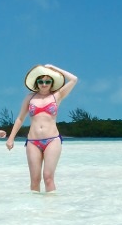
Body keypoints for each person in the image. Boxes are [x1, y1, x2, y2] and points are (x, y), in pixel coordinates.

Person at [5, 63, 77, 192]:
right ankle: (35, 210)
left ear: (52, 83)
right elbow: (20, 118)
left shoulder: (57, 95)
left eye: (48, 81)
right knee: (34, 180)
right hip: (33, 142)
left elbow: (74, 79)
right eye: (41, 81)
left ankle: (51, 209)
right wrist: (11, 138)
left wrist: (55, 68)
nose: (44, 84)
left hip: (52, 140)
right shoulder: (30, 97)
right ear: (36, 82)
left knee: (48, 177)